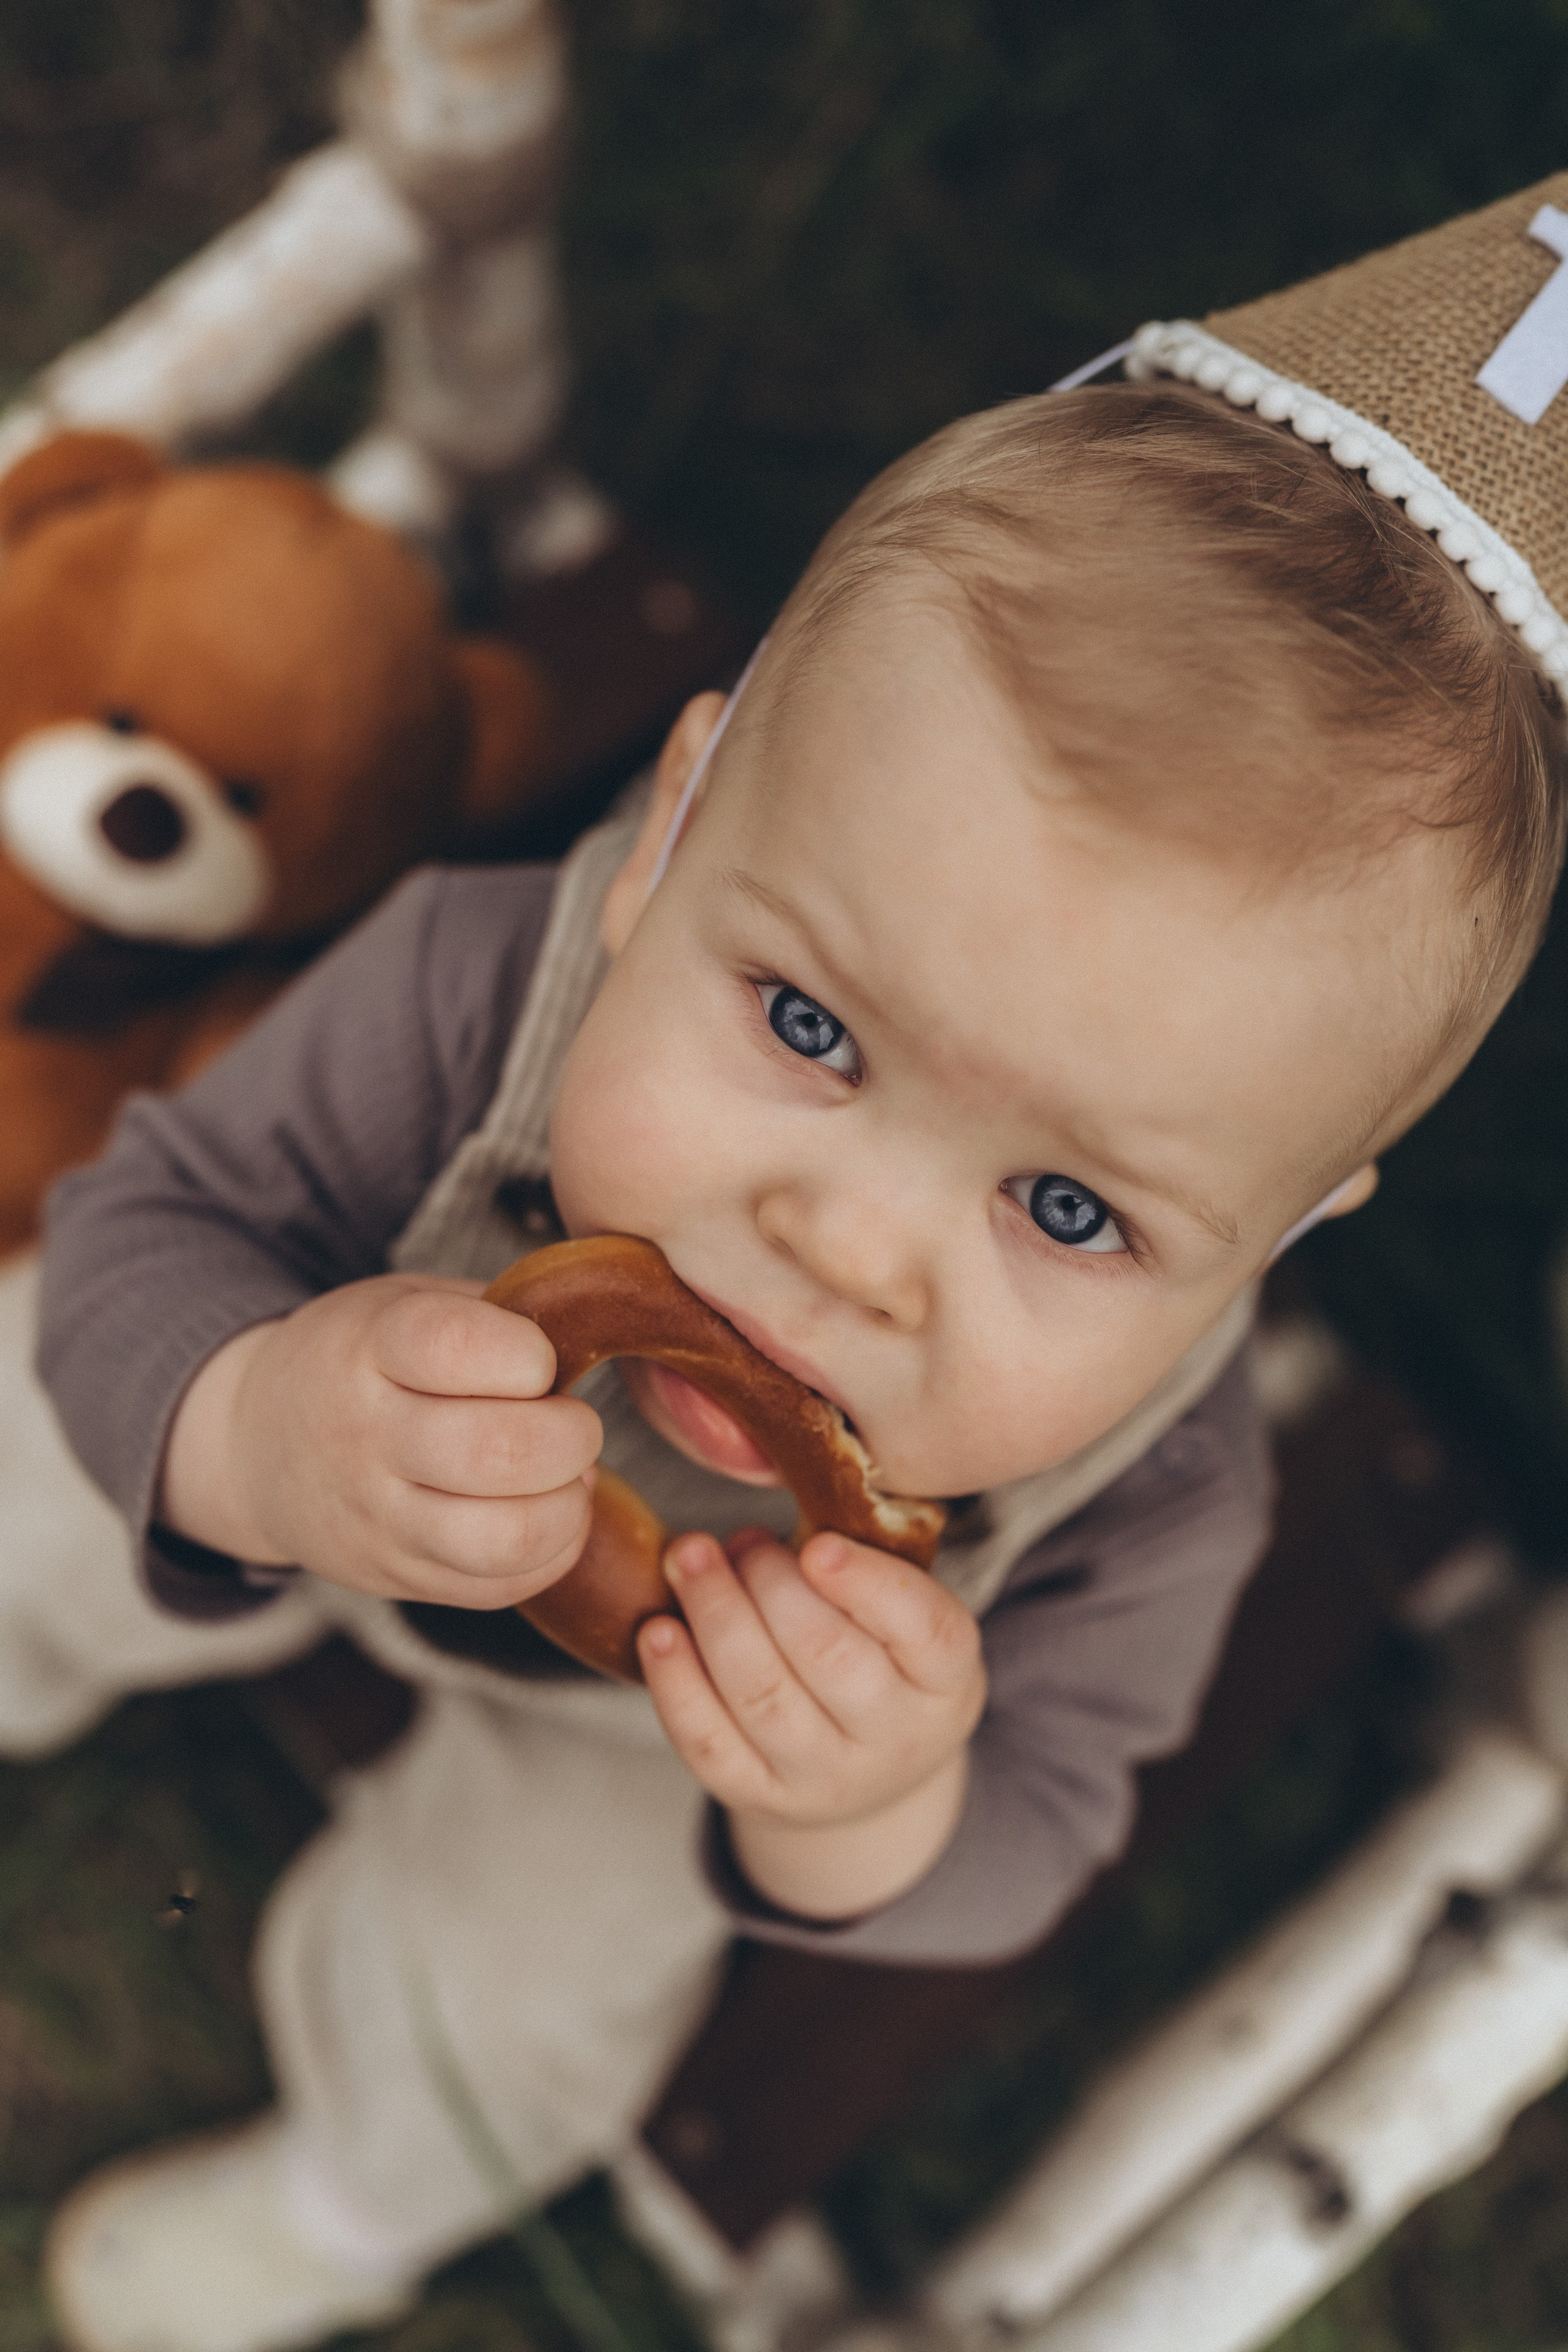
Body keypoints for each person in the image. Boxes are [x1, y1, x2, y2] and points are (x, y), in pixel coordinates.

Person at [30, 172, 1568, 2352]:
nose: (839, 1248)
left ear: (1273, 1244)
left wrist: (874, 1797)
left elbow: (1035, 1829)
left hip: (635, 1752)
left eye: (1070, 1212)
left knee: (530, 2001)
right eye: (812, 1029)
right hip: (309, 1377)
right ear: (671, 842)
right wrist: (252, 1422)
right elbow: (146, 1228)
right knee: (31, 1435)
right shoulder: (486, 990)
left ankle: (355, 2185)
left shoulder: (1161, 1484)